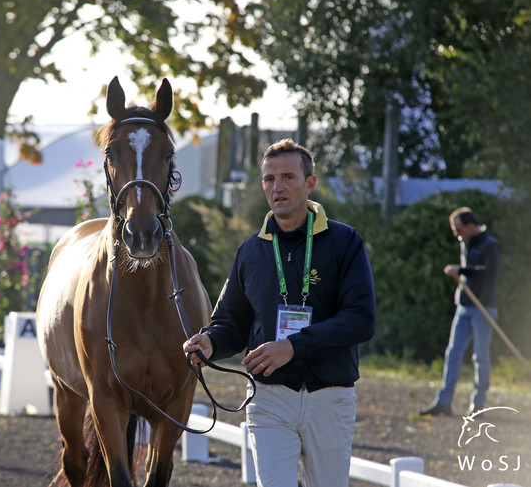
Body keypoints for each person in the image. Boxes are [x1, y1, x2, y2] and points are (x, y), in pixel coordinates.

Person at [183, 139, 376, 487]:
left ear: (310, 183)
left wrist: (293, 346)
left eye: (288, 177)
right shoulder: (251, 251)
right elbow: (232, 322)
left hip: (330, 396)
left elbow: (361, 320)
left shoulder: (345, 242)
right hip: (269, 397)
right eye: (270, 179)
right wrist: (211, 342)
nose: (278, 187)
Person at [419, 207, 501, 417]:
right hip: (464, 306)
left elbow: (490, 273)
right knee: (453, 353)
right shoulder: (465, 242)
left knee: (480, 357)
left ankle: (478, 405)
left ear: (471, 226)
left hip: (483, 308)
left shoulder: (490, 245)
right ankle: (444, 402)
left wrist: (461, 270)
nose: (456, 234)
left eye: (458, 229)